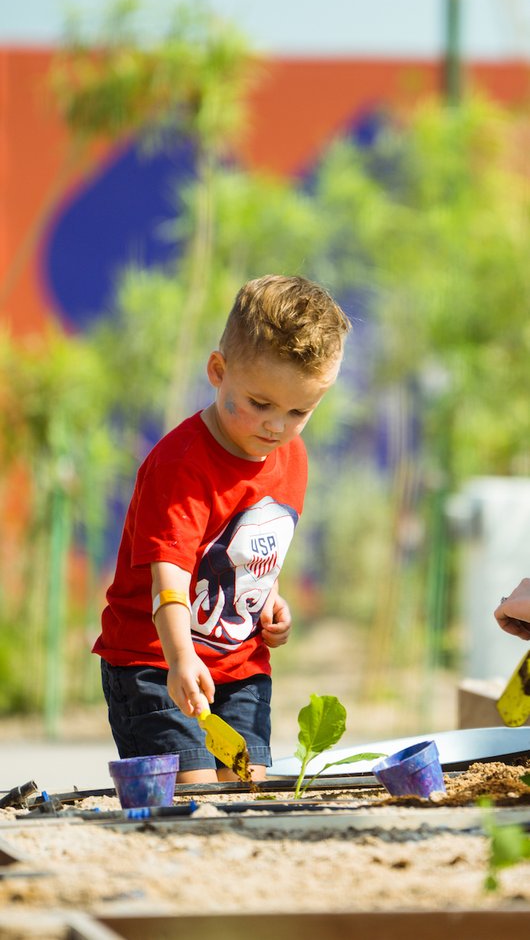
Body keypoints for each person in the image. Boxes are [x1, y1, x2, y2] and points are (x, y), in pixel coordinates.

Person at [92, 274, 351, 784]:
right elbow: (167, 580)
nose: (276, 425)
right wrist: (180, 659)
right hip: (155, 662)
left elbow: (251, 552)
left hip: (240, 667)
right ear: (218, 370)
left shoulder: (291, 458)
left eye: (300, 411)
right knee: (190, 797)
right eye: (260, 404)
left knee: (247, 789)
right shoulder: (181, 466)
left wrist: (270, 598)